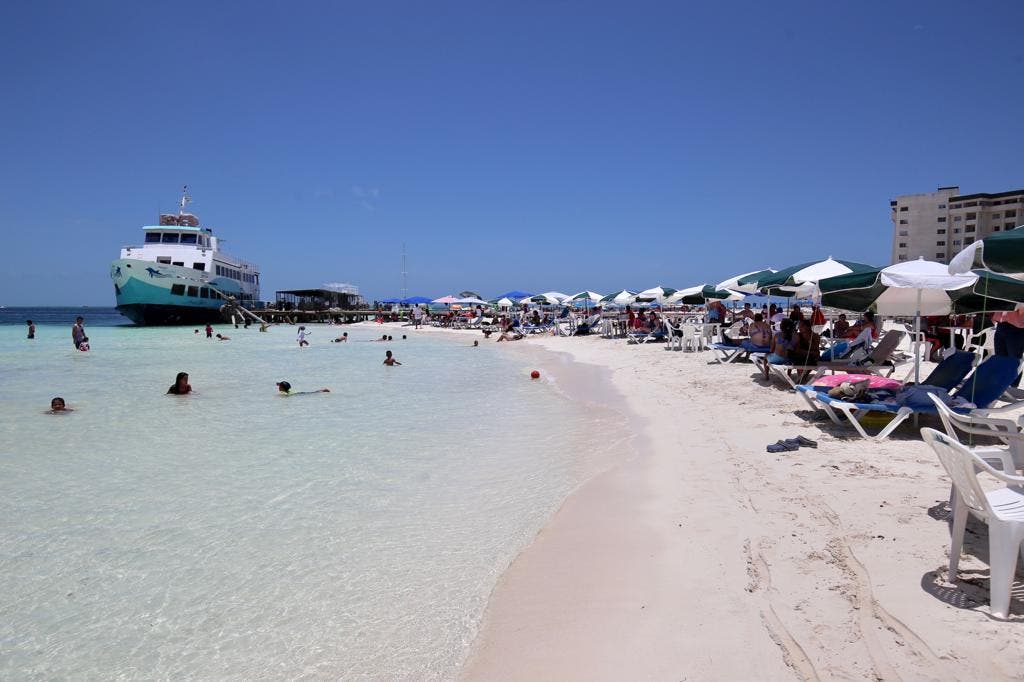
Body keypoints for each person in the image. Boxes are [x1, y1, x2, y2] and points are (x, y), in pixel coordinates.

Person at [992, 308, 1024, 386]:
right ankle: (1000, 386)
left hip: (1018, 327)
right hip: (1001, 324)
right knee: (1000, 358)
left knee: (1014, 359)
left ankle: (1013, 387)